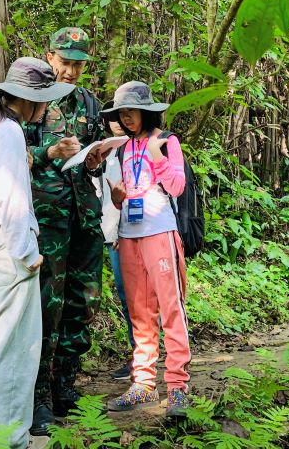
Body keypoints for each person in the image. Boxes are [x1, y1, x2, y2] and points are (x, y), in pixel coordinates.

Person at [0, 57, 73, 449]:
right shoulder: (8, 131)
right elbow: (10, 197)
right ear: (31, 100)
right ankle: (6, 437)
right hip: (8, 249)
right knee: (11, 347)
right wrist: (28, 252)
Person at [26, 28, 105, 435]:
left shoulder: (90, 103)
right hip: (47, 216)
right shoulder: (31, 99)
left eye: (78, 63)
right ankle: (37, 395)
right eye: (66, 61)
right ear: (50, 56)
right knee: (45, 306)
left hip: (84, 215)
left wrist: (95, 160)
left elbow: (94, 155)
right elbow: (9, 153)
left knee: (83, 300)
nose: (72, 70)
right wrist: (47, 152)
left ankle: (65, 385)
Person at [102, 81, 191, 417]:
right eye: (121, 113)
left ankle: (178, 386)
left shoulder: (166, 142)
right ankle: (143, 383)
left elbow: (176, 186)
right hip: (129, 235)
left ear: (146, 111)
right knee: (139, 311)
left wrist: (158, 158)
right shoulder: (123, 147)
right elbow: (125, 191)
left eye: (131, 111)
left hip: (160, 231)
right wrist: (118, 198)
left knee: (171, 308)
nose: (126, 117)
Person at [96, 108, 135, 381]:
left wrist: (122, 232)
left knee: (134, 297)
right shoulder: (104, 151)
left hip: (128, 235)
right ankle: (140, 355)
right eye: (112, 119)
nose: (117, 123)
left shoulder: (135, 149)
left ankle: (141, 357)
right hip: (110, 234)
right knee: (126, 296)